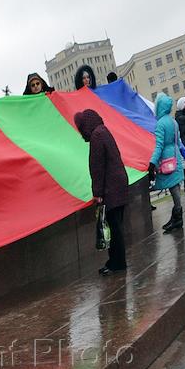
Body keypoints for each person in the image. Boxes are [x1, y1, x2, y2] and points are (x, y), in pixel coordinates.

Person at [76, 110, 128, 274]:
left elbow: (97, 168)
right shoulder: (103, 131)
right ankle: (114, 261)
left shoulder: (97, 136)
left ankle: (117, 264)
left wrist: (97, 193)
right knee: (116, 226)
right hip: (119, 185)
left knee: (114, 228)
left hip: (110, 188)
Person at [150, 93, 185, 233]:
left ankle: (177, 218)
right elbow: (178, 141)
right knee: (175, 186)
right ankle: (176, 217)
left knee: (173, 188)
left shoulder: (160, 124)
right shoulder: (173, 121)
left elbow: (159, 146)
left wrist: (152, 162)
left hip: (167, 160)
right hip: (175, 156)